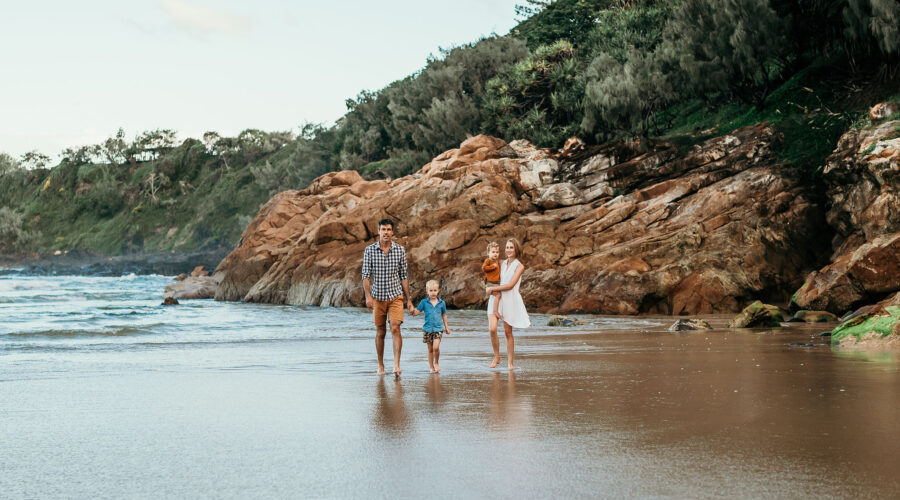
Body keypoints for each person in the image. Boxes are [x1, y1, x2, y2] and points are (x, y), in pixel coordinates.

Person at [362, 218, 415, 377]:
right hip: (378, 297)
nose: (386, 232)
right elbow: (365, 275)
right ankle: (380, 365)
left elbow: (403, 276)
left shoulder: (400, 250)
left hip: (395, 296)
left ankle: (396, 365)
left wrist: (409, 299)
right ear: (378, 231)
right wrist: (368, 296)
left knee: (395, 327)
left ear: (392, 232)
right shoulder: (369, 250)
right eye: (383, 229)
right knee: (380, 331)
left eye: (389, 230)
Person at [486, 238, 530, 370]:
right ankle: (497, 357)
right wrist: (488, 286)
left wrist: (493, 289)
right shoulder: (500, 263)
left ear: (516, 249)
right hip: (495, 298)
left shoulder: (520, 266)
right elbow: (489, 275)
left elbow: (510, 285)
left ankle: (510, 363)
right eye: (507, 247)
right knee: (492, 329)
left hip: (510, 300)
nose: (508, 250)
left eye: (511, 247)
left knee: (507, 332)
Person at [411, 280, 451, 373]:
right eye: (431, 290)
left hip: (438, 328)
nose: (433, 292)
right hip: (427, 329)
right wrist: (413, 312)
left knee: (435, 347)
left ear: (438, 290)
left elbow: (444, 315)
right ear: (427, 291)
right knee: (430, 349)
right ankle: (431, 367)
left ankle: (436, 362)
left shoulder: (442, 303)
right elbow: (417, 312)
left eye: (435, 290)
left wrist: (447, 327)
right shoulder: (424, 302)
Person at [482, 242, 502, 320]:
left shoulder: (497, 262)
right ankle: (495, 311)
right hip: (490, 284)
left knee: (501, 295)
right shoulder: (488, 260)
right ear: (488, 253)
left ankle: (498, 309)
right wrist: (492, 267)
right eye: (493, 252)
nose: (495, 254)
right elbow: (484, 268)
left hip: (497, 283)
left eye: (497, 252)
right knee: (498, 295)